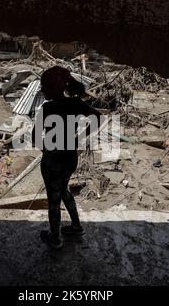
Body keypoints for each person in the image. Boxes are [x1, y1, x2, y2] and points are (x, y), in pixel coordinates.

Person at [32, 66, 102, 249]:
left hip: (53, 160)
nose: (42, 90)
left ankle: (55, 238)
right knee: (64, 190)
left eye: (44, 86)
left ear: (53, 88)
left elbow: (34, 138)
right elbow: (98, 117)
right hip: (70, 158)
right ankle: (76, 227)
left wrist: (46, 150)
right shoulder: (76, 103)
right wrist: (79, 137)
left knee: (54, 200)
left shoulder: (47, 108)